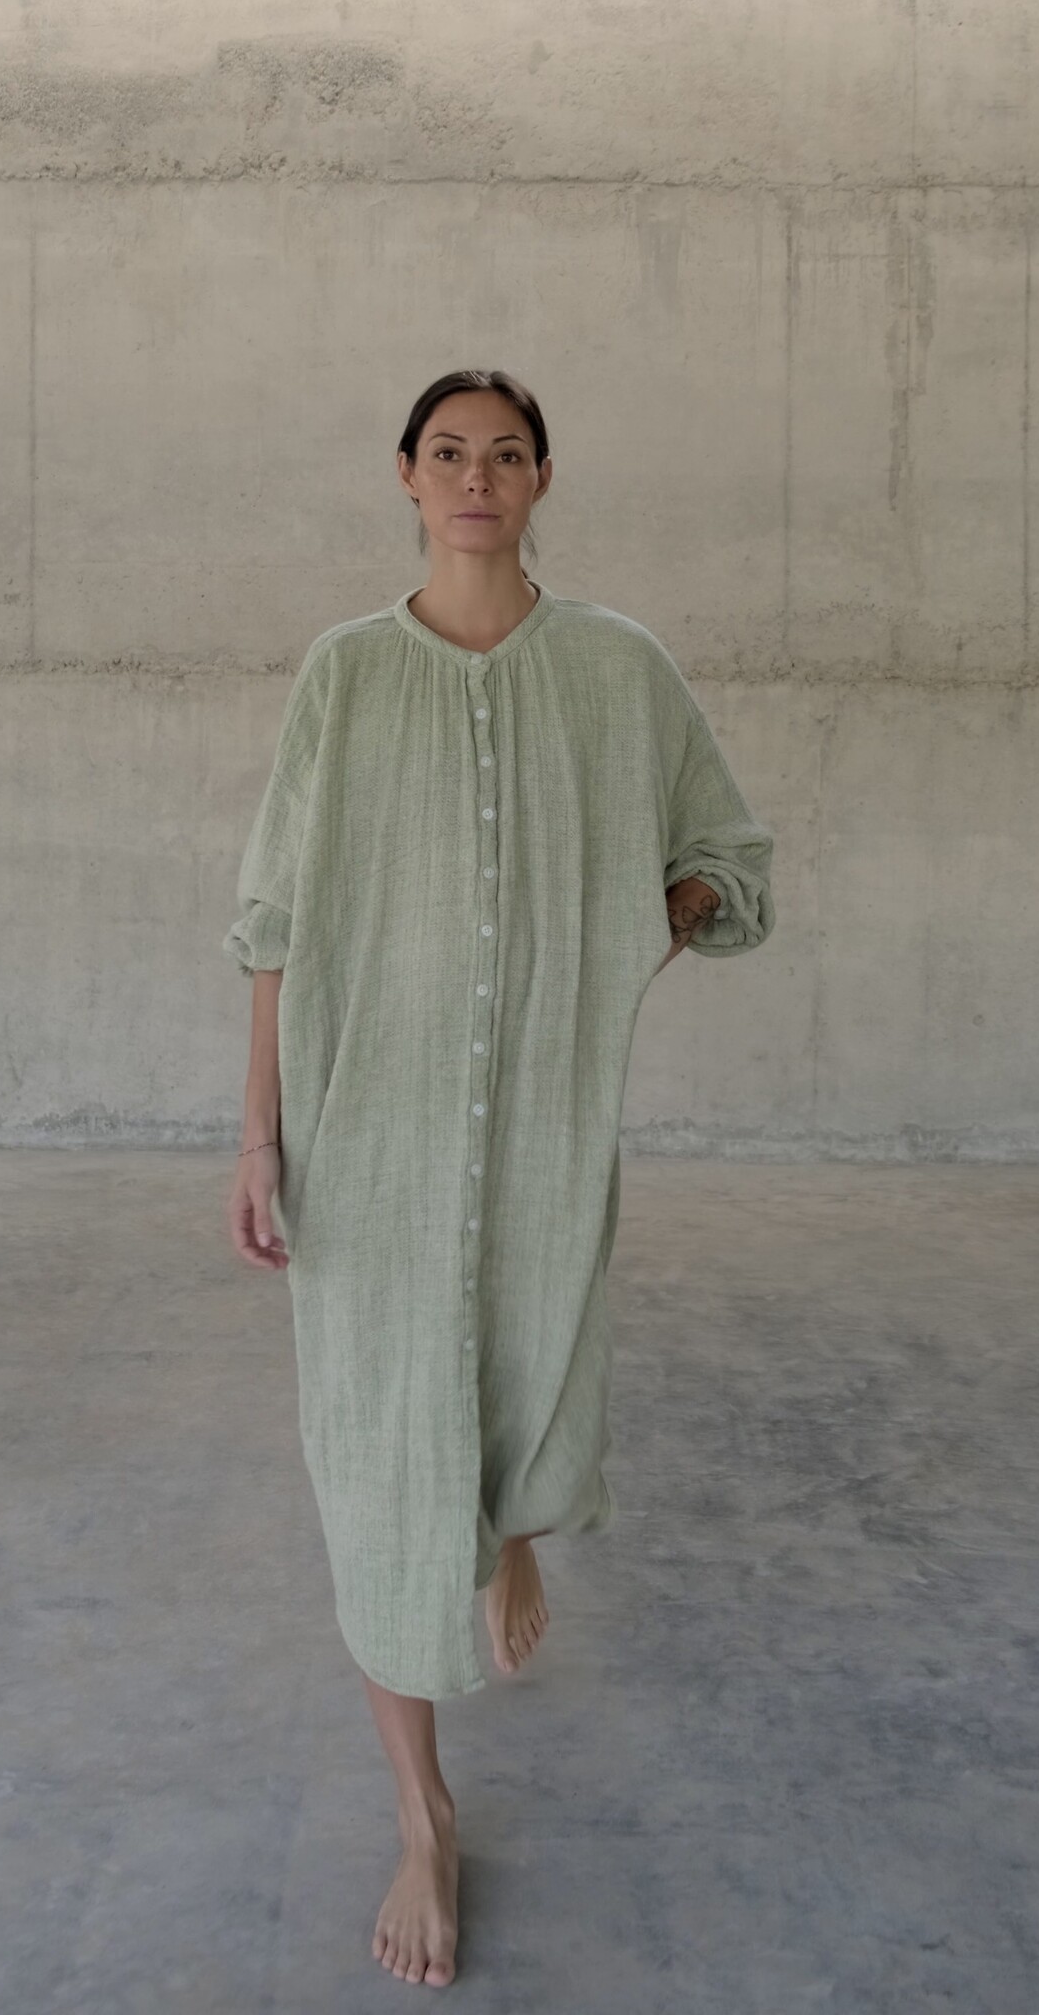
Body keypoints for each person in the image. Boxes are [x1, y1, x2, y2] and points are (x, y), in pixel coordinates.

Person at [223, 369, 775, 1988]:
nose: (477, 476)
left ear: (540, 482)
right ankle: (422, 1816)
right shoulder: (344, 673)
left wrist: (639, 927)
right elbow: (270, 922)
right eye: (449, 452)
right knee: (379, 1467)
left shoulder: (616, 668)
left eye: (507, 454)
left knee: (529, 1377)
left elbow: (725, 856)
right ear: (405, 476)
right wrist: (257, 1136)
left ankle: (514, 1519)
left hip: (539, 1131)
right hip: (366, 1137)